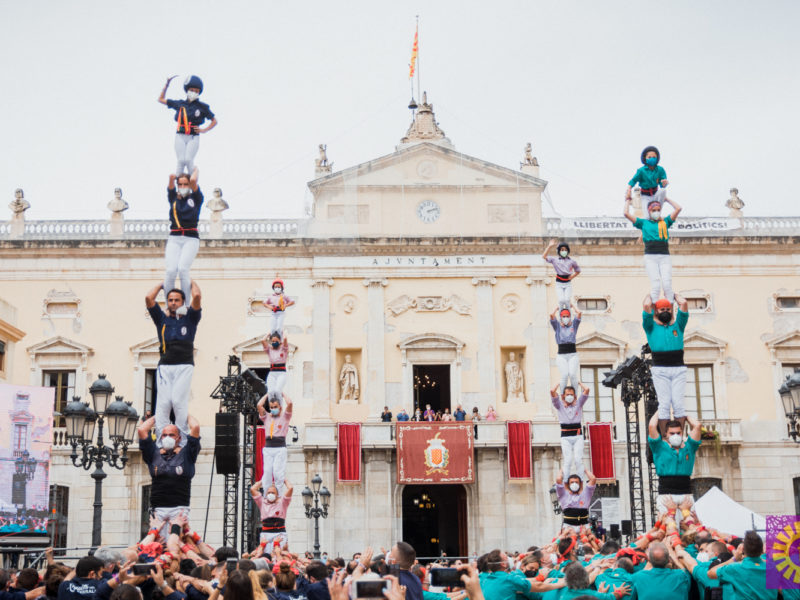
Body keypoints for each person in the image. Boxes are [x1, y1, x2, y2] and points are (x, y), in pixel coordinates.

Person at [145, 280, 202, 444]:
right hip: (165, 366)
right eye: (170, 300)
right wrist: (162, 284)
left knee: (178, 401)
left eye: (177, 300)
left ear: (183, 302)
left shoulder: (190, 318)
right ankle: (161, 442)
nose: (173, 303)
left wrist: (190, 282)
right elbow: (149, 299)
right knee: (163, 404)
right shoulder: (161, 319)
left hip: (184, 365)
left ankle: (181, 440)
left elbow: (197, 296)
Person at [624, 164, 682, 303]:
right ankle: (656, 315)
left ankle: (670, 313)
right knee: (656, 286)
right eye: (653, 209)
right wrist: (627, 200)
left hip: (664, 256)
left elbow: (679, 208)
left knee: (667, 285)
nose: (656, 211)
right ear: (649, 211)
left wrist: (666, 199)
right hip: (650, 257)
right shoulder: (644, 223)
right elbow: (626, 213)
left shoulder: (665, 222)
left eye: (658, 209)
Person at [138, 414, 201, 540]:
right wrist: (160, 413)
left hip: (179, 508)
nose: (167, 437)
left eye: (171, 435)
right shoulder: (153, 453)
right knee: (157, 543)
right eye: (165, 435)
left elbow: (195, 428)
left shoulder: (187, 454)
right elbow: (142, 430)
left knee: (176, 542)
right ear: (160, 437)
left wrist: (181, 411)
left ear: (179, 438)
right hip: (158, 509)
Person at [642, 294, 689, 435]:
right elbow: (646, 305)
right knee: (664, 404)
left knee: (679, 404)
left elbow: (684, 303)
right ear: (656, 311)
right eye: (662, 309)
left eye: (668, 309)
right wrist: (653, 294)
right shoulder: (650, 327)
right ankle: (665, 437)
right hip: (660, 369)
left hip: (678, 368)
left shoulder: (678, 325)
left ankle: (679, 436)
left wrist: (672, 295)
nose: (665, 312)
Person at [158, 75, 217, 175]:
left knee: (189, 159)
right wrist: (166, 85)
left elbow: (214, 121)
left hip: (193, 136)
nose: (194, 92)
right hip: (180, 135)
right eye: (192, 90)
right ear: (187, 90)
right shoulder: (180, 104)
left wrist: (204, 130)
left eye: (196, 91)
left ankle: (193, 183)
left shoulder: (202, 107)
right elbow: (161, 99)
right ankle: (178, 184)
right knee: (181, 160)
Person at [647, 411, 702, 519]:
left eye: (678, 433)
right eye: (672, 433)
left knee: (690, 529)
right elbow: (652, 426)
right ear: (666, 434)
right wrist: (661, 409)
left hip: (686, 494)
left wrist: (684, 415)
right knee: (669, 528)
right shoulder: (659, 447)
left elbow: (697, 426)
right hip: (666, 495)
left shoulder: (689, 447)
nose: (675, 435)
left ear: (682, 433)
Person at [163, 168, 203, 311]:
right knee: (170, 271)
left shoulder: (196, 199)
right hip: (174, 237)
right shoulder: (173, 198)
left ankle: (185, 305)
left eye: (185, 184)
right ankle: (170, 304)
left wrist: (195, 168)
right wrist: (173, 177)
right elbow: (170, 182)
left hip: (190, 238)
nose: (183, 187)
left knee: (183, 269)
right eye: (181, 184)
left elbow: (193, 180)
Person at [708, 531, 775, 600]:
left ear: (742, 549)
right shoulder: (773, 569)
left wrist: (734, 558)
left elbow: (710, 573)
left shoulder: (735, 568)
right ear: (761, 549)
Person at [478, 549, 565, 599]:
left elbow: (524, 581)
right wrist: (561, 583)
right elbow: (538, 588)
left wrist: (539, 578)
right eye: (506, 557)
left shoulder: (487, 579)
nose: (510, 559)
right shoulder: (509, 579)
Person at [551, 383, 590, 479]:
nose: (569, 396)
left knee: (578, 460)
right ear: (563, 396)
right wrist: (559, 383)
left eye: (571, 395)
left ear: (575, 396)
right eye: (567, 394)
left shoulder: (579, 404)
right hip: (565, 436)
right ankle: (566, 482)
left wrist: (579, 383)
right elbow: (552, 391)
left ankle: (580, 481)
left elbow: (587, 389)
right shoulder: (559, 405)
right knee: (567, 461)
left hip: (577, 436)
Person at [258, 392, 293, 494]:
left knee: (278, 473)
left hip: (280, 448)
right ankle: (266, 494)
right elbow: (259, 405)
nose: (273, 409)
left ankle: (278, 495)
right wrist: (267, 395)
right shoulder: (266, 417)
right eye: (271, 407)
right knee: (267, 472)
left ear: (280, 407)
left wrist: (282, 394)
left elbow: (290, 403)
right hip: (268, 447)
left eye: (275, 407)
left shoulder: (285, 417)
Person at [250, 478, 293, 552]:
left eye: (273, 493)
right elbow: (253, 489)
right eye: (269, 493)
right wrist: (263, 481)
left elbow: (290, 488)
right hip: (266, 533)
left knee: (279, 553)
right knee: (266, 554)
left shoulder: (282, 502)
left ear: (277, 494)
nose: (270, 494)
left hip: (280, 533)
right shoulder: (262, 502)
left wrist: (283, 479)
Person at [550, 304, 582, 393]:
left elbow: (579, 313)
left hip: (573, 354)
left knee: (572, 374)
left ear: (570, 316)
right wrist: (557, 308)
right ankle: (562, 395)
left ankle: (574, 394)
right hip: (561, 355)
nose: (565, 318)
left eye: (567, 316)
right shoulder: (557, 326)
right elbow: (551, 316)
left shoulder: (573, 325)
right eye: (564, 316)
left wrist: (573, 306)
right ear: (561, 317)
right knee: (564, 375)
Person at [542, 239, 581, 308]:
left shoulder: (572, 261)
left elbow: (578, 270)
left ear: (568, 251)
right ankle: (561, 315)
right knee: (561, 300)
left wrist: (572, 277)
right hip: (559, 283)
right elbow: (544, 256)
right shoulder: (555, 260)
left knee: (567, 300)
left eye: (565, 250)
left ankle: (569, 314)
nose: (564, 251)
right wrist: (549, 246)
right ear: (559, 251)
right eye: (562, 250)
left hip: (567, 283)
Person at [261, 331, 289, 404]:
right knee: (270, 391)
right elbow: (263, 340)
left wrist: (282, 332)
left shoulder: (283, 349)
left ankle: (280, 408)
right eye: (272, 341)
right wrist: (269, 333)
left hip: (281, 373)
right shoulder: (269, 350)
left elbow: (285, 338)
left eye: (276, 341)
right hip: (272, 373)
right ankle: (272, 407)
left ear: (280, 341)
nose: (274, 342)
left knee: (277, 391)